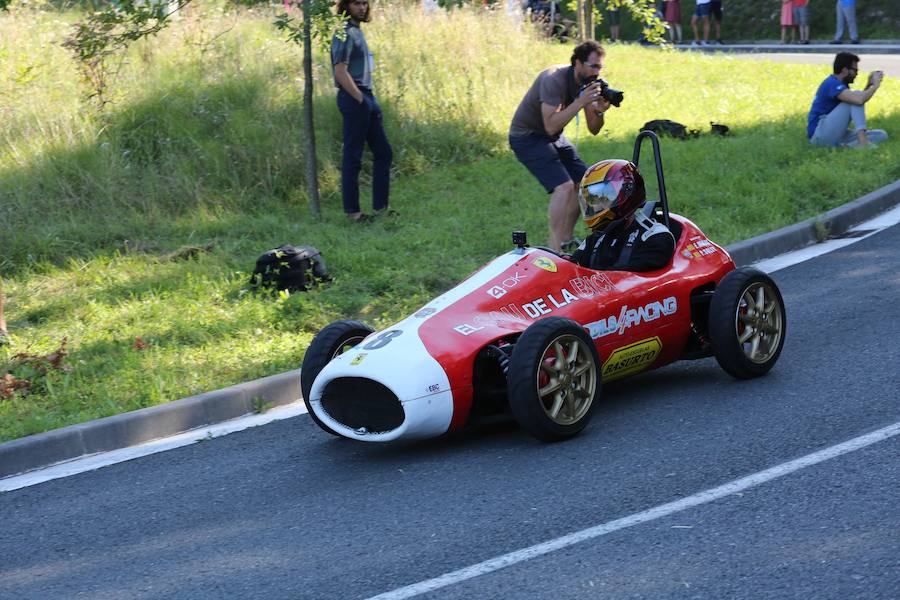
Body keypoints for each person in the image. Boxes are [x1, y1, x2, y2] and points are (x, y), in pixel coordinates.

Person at [509, 40, 614, 253]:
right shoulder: (553, 79)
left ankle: (566, 239)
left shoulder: (587, 84)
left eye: (600, 67)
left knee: (584, 182)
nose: (597, 72)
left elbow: (594, 128)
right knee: (564, 186)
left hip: (554, 136)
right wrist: (580, 102)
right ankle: (553, 250)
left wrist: (599, 110)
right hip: (527, 136)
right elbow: (550, 125)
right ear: (577, 63)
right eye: (593, 66)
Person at [331, 0, 394, 223]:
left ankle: (380, 209)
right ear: (346, 5)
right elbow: (340, 72)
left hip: (366, 96)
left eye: (365, 3)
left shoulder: (357, 30)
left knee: (384, 153)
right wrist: (360, 98)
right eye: (356, 3)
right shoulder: (344, 32)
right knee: (353, 156)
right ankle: (353, 213)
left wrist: (367, 99)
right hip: (354, 97)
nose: (362, 7)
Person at [569, 159, 675, 272]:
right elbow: (571, 268)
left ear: (625, 194)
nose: (595, 207)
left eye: (603, 199)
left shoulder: (654, 238)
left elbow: (631, 278)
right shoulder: (596, 239)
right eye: (592, 201)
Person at [807, 52, 887, 148]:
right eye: (855, 70)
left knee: (881, 135)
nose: (857, 74)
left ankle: (846, 147)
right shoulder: (831, 83)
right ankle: (863, 143)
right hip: (819, 134)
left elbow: (858, 102)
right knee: (855, 98)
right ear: (844, 70)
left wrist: (869, 85)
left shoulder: (840, 84)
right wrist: (875, 86)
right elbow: (858, 100)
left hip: (831, 132)